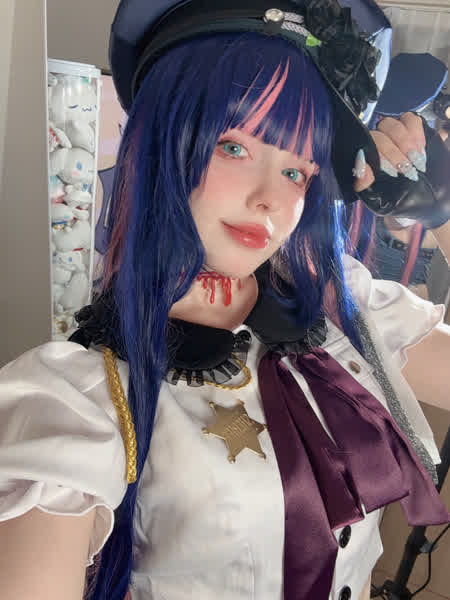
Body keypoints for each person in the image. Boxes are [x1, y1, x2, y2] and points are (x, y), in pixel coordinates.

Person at [0, 2, 449, 600]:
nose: (271, 200)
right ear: (164, 144)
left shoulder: (345, 311)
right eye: (234, 147)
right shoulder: (77, 402)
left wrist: (443, 216)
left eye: (297, 171)